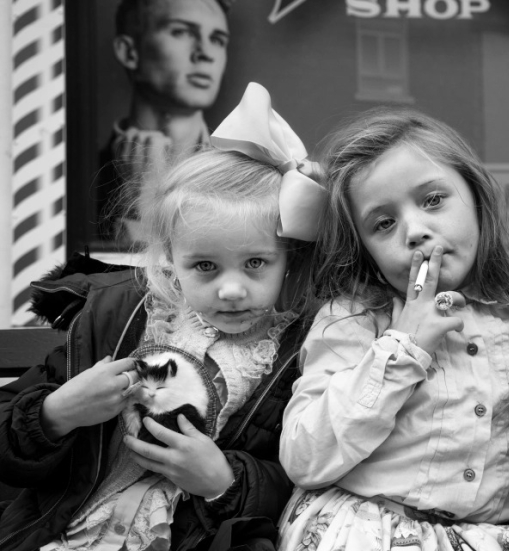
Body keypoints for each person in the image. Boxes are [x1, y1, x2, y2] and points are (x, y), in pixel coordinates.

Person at [0, 83, 326, 551]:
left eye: (255, 263)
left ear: (288, 259)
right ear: (170, 257)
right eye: (205, 266)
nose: (231, 290)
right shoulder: (117, 320)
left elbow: (302, 480)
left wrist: (223, 480)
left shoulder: (297, 353)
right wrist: (56, 414)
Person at [277, 108, 509, 551]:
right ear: (365, 249)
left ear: (477, 196)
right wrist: (400, 348)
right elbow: (304, 457)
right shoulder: (353, 318)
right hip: (366, 526)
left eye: (433, 200)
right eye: (383, 224)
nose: (415, 232)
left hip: (485, 532)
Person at [97, 0, 230, 246]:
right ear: (129, 52)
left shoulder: (238, 175)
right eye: (181, 32)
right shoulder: (76, 178)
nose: (206, 53)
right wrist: (136, 211)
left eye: (218, 40)